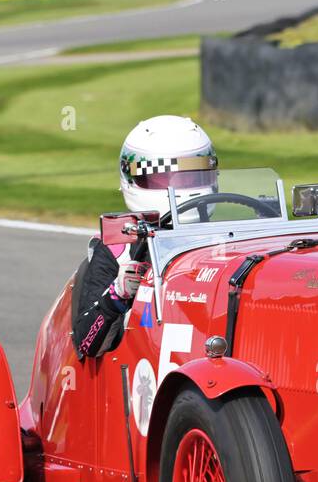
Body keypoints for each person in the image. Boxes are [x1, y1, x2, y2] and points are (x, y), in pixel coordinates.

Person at [72, 115, 218, 358]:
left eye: (190, 176)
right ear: (133, 177)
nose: (177, 188)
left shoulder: (226, 238)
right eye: (162, 176)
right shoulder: (117, 248)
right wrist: (117, 294)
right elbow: (86, 345)